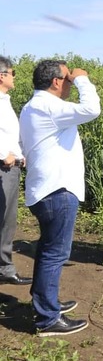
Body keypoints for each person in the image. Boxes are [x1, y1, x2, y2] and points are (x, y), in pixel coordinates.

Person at [20, 59, 101, 336]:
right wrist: (82, 78)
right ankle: (47, 318)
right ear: (56, 82)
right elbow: (92, 109)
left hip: (45, 190)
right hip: (57, 191)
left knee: (48, 251)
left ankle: (46, 303)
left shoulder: (33, 106)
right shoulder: (51, 106)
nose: (69, 84)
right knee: (55, 254)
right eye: (66, 79)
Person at [0, 56, 32, 286]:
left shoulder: (4, 100)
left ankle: (4, 267)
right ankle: (4, 268)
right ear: (1, 76)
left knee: (7, 220)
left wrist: (19, 154)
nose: (14, 76)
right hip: (3, 167)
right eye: (12, 72)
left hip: (11, 167)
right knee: (3, 219)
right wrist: (4, 155)